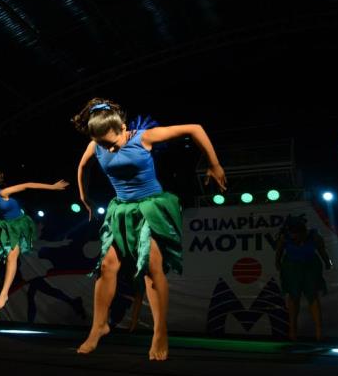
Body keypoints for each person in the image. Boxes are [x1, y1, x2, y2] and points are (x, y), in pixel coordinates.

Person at [72, 97, 226, 360]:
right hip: (120, 209)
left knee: (151, 268)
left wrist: (214, 164)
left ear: (122, 126)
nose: (107, 149)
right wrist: (84, 195)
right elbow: (83, 166)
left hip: (150, 207)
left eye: (111, 142)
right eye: (102, 144)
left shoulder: (144, 137)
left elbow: (195, 128)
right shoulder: (96, 143)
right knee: (107, 266)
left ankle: (159, 331)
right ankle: (99, 325)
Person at [0, 178, 69, 311]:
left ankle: (4, 293)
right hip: (3, 224)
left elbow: (28, 185)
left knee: (11, 258)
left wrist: (52, 186)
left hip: (18, 225)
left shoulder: (3, 193)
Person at [274, 217, 331, 341]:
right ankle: (292, 330)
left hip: (311, 266)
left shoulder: (315, 236)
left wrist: (327, 262)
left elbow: (322, 251)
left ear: (303, 232)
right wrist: (278, 263)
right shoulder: (285, 237)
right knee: (293, 297)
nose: (295, 238)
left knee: (313, 296)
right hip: (291, 268)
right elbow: (278, 252)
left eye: (297, 236)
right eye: (292, 235)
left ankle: (319, 332)